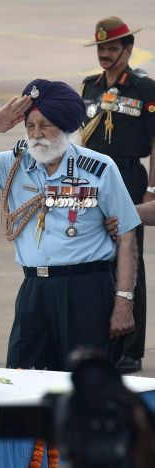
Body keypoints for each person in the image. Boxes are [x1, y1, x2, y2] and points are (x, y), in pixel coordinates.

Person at [0, 79, 140, 371]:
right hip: (35, 290)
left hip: (86, 290)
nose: (36, 135)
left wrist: (124, 302)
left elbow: (127, 236)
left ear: (65, 126)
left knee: (86, 387)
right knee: (24, 381)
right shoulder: (14, 164)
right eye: (30, 126)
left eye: (45, 125)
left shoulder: (99, 168)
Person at [81, 16, 155, 373]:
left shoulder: (144, 89)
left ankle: (130, 349)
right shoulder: (89, 87)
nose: (105, 54)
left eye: (111, 48)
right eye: (101, 48)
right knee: (96, 257)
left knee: (129, 258)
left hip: (128, 178)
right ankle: (103, 340)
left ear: (128, 50)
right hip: (93, 180)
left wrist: (152, 189)